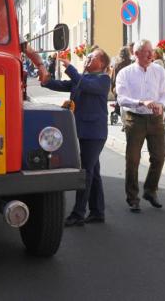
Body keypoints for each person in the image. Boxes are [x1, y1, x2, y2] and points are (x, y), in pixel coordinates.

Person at [41, 49, 111, 226]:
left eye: (92, 56)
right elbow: (63, 85)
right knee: (93, 172)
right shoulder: (82, 79)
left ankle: (78, 214)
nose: (88, 58)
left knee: (85, 173)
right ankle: (97, 212)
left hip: (95, 133)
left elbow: (85, 85)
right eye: (87, 56)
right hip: (80, 130)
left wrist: (70, 68)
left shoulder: (103, 79)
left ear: (102, 63)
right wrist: (46, 81)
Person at [115, 40, 165, 211]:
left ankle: (150, 190)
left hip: (155, 119)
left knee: (159, 156)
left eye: (151, 51)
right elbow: (121, 98)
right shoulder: (125, 73)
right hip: (135, 118)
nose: (150, 55)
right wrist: (140, 102)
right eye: (146, 52)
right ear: (136, 54)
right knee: (133, 159)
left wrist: (161, 105)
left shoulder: (159, 70)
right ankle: (132, 197)